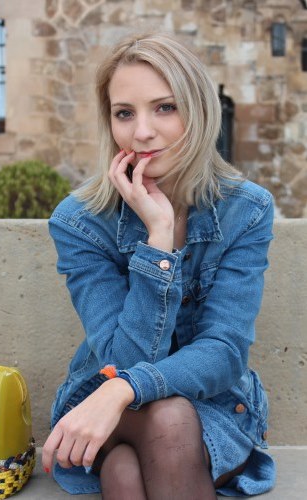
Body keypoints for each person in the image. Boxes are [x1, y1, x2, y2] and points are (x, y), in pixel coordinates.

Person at [42, 32, 276, 499]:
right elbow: (124, 359)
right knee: (165, 421)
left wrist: (124, 389)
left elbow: (224, 350)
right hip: (110, 411)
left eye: (164, 108)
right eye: (124, 113)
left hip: (210, 405)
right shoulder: (81, 222)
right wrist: (159, 242)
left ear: (199, 110)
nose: (142, 132)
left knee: (127, 469)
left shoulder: (246, 211)